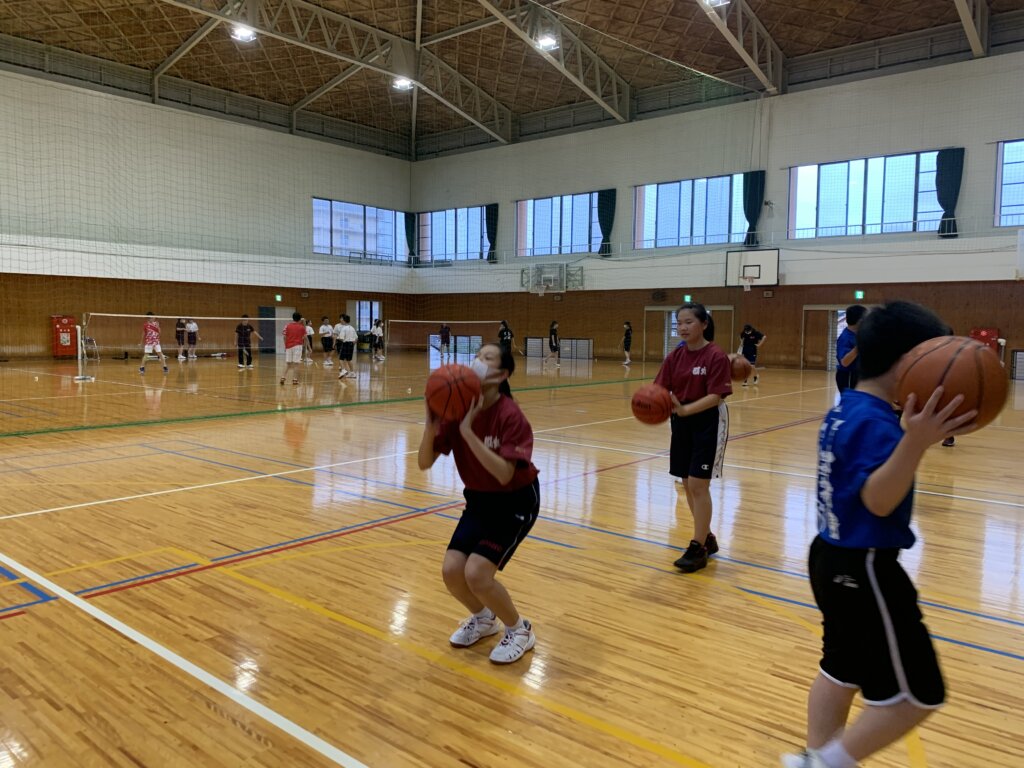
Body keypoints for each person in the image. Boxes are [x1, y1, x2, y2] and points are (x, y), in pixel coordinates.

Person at [782, 301, 977, 768]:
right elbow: (878, 500)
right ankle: (822, 764)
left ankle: (816, 753)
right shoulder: (877, 425)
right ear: (910, 362)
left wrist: (909, 433)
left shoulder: (851, 407)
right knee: (918, 694)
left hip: (829, 556)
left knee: (840, 669)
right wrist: (915, 441)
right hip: (865, 567)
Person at [416, 343, 540, 664]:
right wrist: (430, 426)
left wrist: (468, 433)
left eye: (487, 358)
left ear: (502, 374)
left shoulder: (510, 415)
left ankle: (520, 630)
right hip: (479, 500)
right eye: (477, 355)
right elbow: (424, 462)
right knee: (451, 572)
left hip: (515, 501)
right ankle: (484, 619)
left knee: (477, 574)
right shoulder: (457, 408)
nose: (477, 362)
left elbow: (504, 474)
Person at [653, 303, 732, 573]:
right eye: (679, 323)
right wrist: (659, 402)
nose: (683, 327)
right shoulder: (674, 357)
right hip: (681, 423)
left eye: (689, 322)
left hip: (708, 421)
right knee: (687, 484)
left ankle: (698, 547)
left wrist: (686, 409)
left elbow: (716, 396)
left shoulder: (715, 355)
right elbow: (660, 388)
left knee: (699, 485)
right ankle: (706, 537)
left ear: (704, 324)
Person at [836, 305, 867, 393]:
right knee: (852, 401)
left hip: (859, 375)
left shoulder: (860, 334)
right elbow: (845, 362)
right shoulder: (845, 338)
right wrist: (858, 348)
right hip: (848, 376)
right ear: (860, 321)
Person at [280, 311, 305, 386]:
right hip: (298, 346)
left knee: (288, 363)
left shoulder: (287, 326)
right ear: (300, 319)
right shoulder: (302, 327)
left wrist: (286, 345)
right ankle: (295, 380)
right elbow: (304, 336)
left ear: (293, 318)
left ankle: (283, 377)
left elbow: (284, 337)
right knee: (296, 364)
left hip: (288, 346)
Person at [335, 313, 357, 379]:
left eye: (342, 319)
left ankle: (343, 370)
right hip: (351, 344)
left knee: (341, 358)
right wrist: (352, 343)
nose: (341, 320)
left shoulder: (344, 328)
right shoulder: (352, 328)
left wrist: (337, 338)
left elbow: (341, 338)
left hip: (345, 344)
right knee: (349, 359)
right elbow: (356, 338)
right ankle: (352, 373)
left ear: (344, 320)